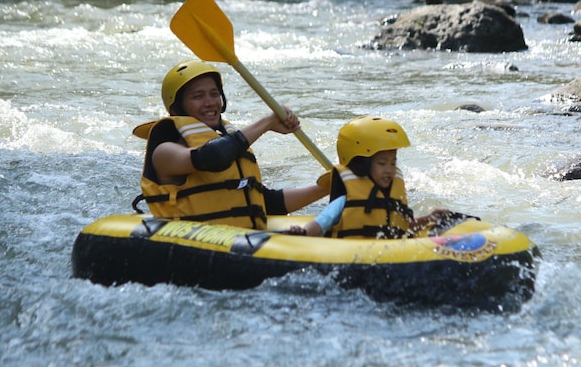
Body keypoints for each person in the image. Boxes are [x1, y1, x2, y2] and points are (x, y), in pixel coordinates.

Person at [132, 60, 328, 229]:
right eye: (198, 96)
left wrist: (327, 186)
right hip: (191, 245)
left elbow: (267, 202)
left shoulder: (228, 141)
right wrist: (267, 123)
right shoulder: (164, 152)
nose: (210, 102)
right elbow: (212, 156)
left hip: (238, 240)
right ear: (176, 108)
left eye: (214, 93)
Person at [289, 116, 452, 239]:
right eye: (382, 163)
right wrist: (303, 232)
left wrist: (427, 219)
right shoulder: (346, 200)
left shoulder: (391, 194)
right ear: (361, 165)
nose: (389, 170)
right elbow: (322, 222)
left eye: (393, 163)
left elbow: (399, 227)